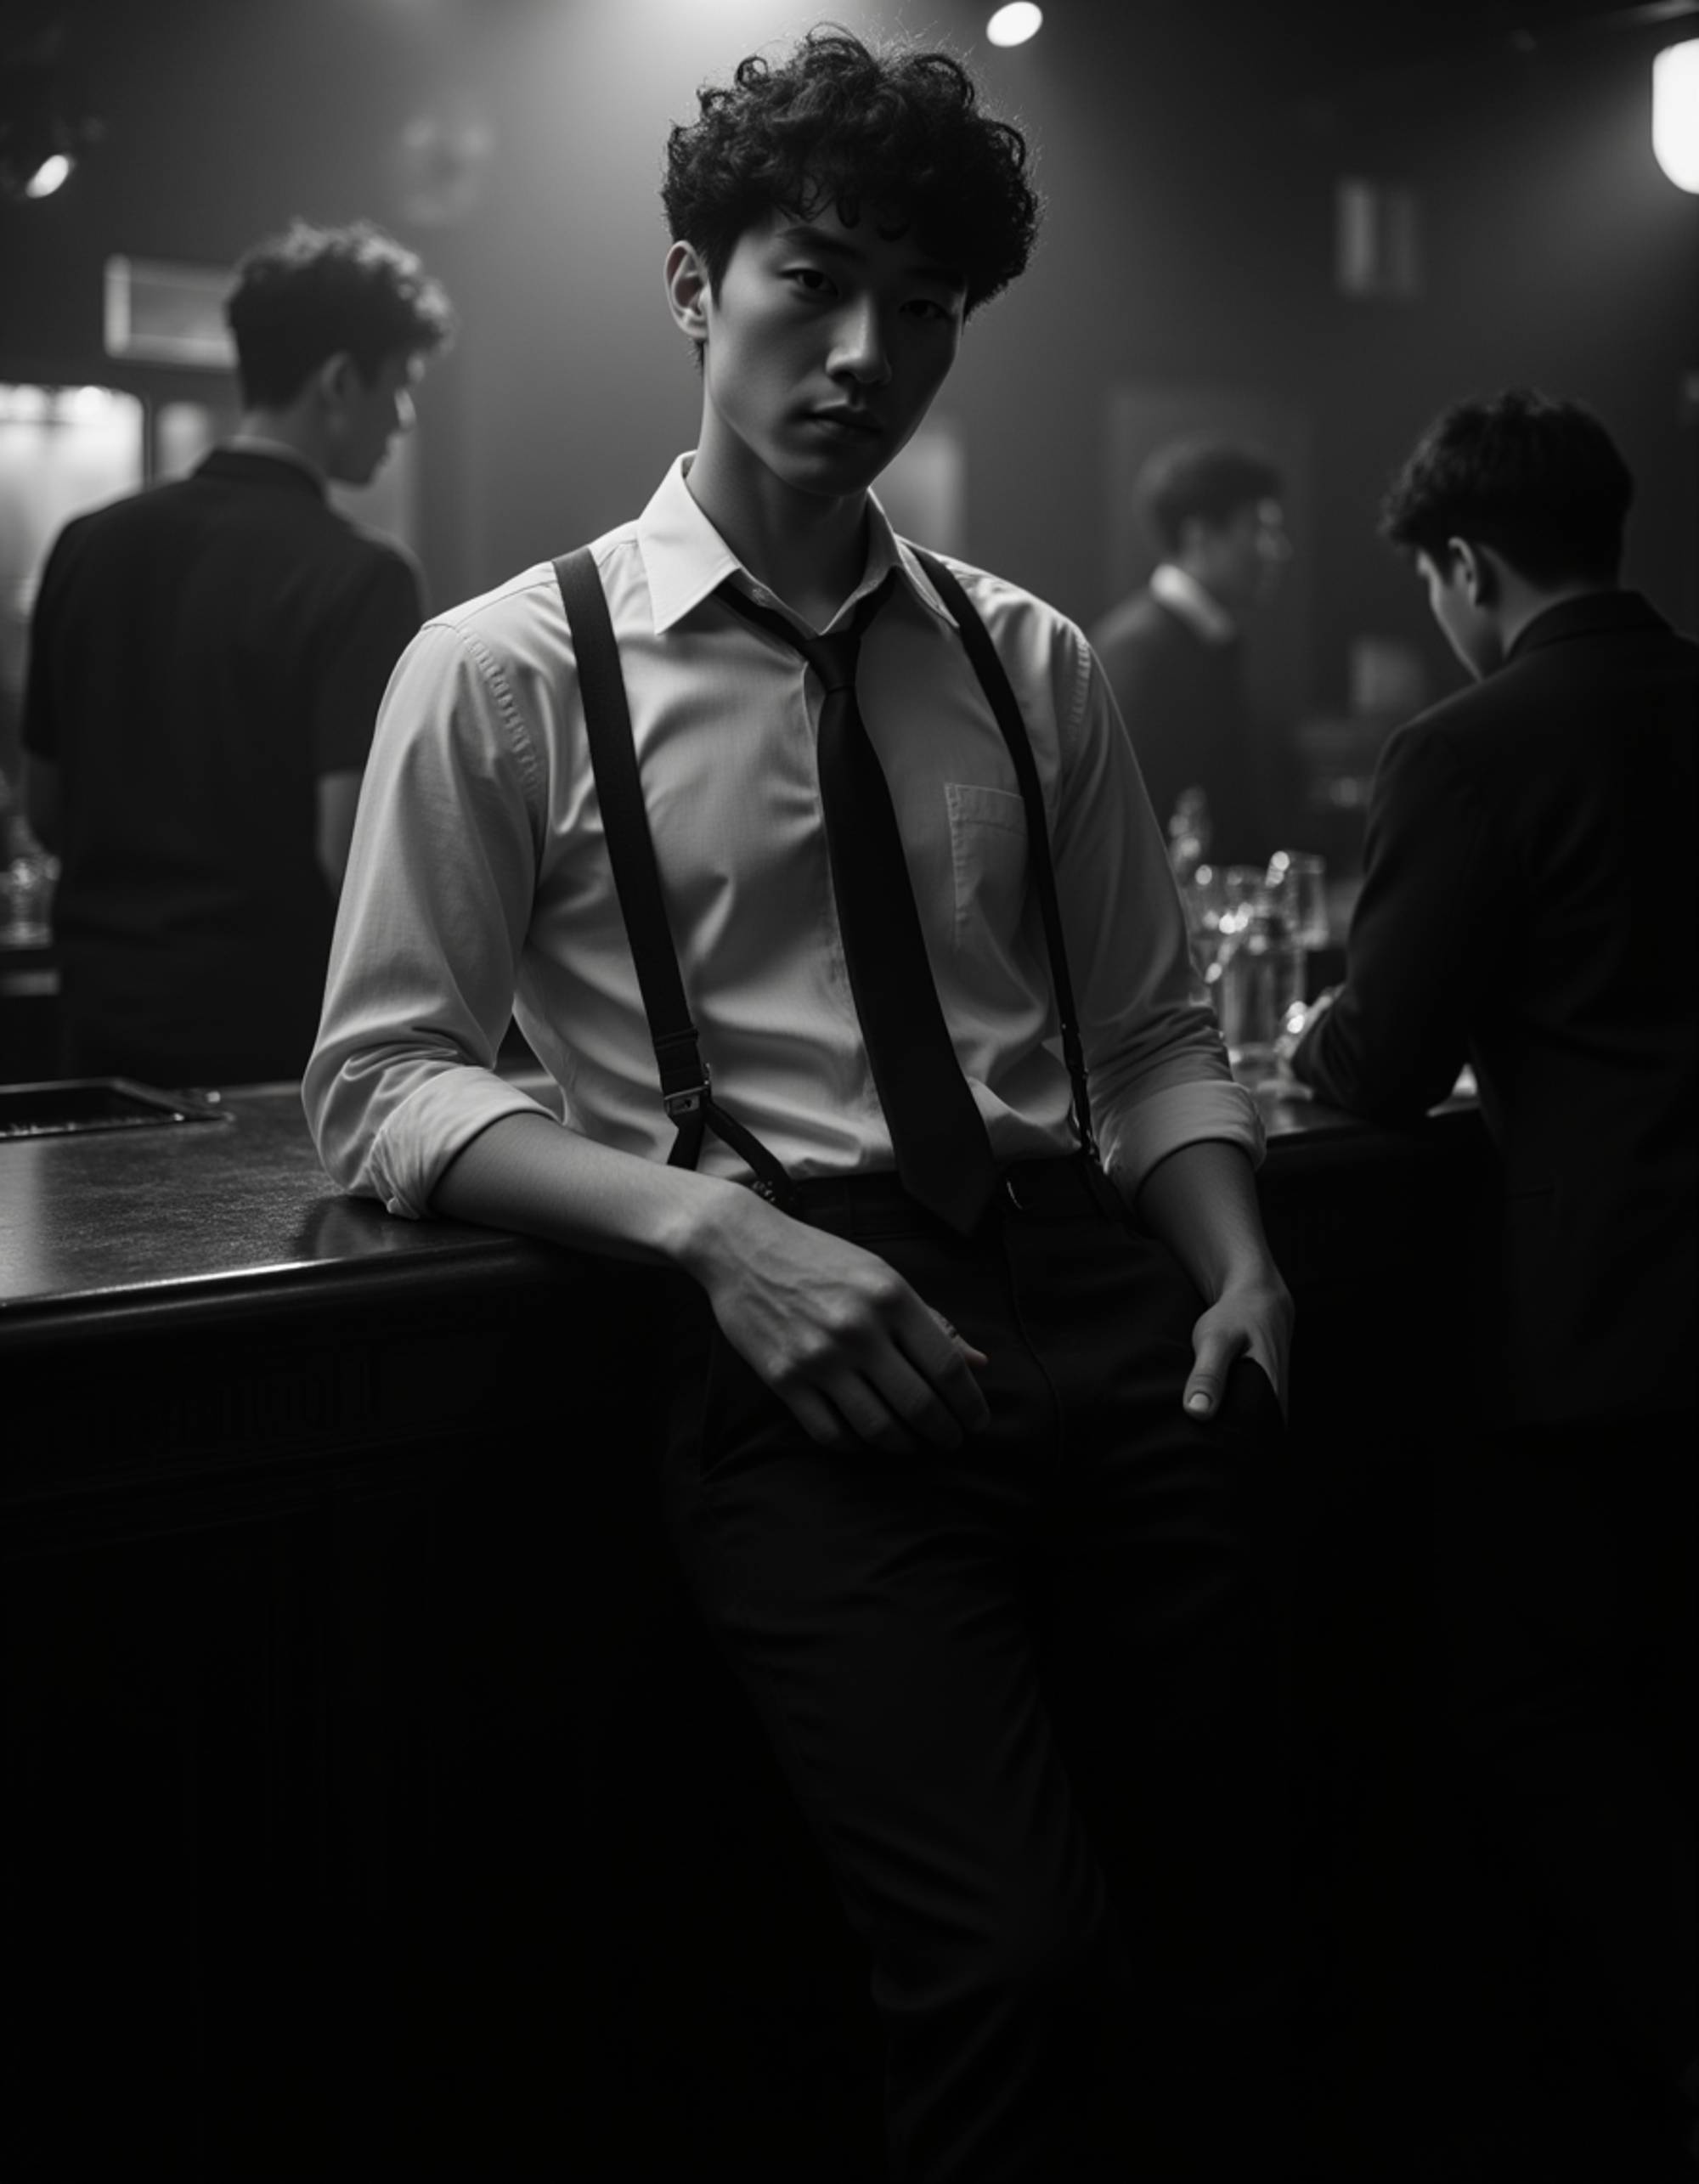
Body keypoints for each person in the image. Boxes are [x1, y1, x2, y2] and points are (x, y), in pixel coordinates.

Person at [306, 31, 1295, 2180]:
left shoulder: (1031, 662)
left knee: (1223, 1933)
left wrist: (1235, 1264)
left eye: (921, 307)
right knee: (1008, 1960)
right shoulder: (499, 668)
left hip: (1120, 1333)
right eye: (810, 280)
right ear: (692, 280)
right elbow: (380, 1080)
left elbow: (1140, 1040)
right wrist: (708, 1231)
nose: (864, 352)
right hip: (798, 1350)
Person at [1282, 388, 1697, 2175]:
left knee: (1546, 1714)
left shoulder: (1472, 743)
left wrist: (1304, 1020)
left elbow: (1372, 1064)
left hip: (1612, 1324)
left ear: (1461, 564)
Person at [22, 218, 453, 1086]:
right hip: (269, 1051)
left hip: (97, 1031)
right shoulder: (362, 577)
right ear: (338, 380)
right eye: (398, 386)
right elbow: (351, 856)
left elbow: (45, 809)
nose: (403, 418)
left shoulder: (85, 543)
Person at [1090, 435, 1293, 869]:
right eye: (1259, 528)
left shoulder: (1209, 640)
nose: (1278, 549)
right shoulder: (1136, 653)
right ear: (1199, 535)